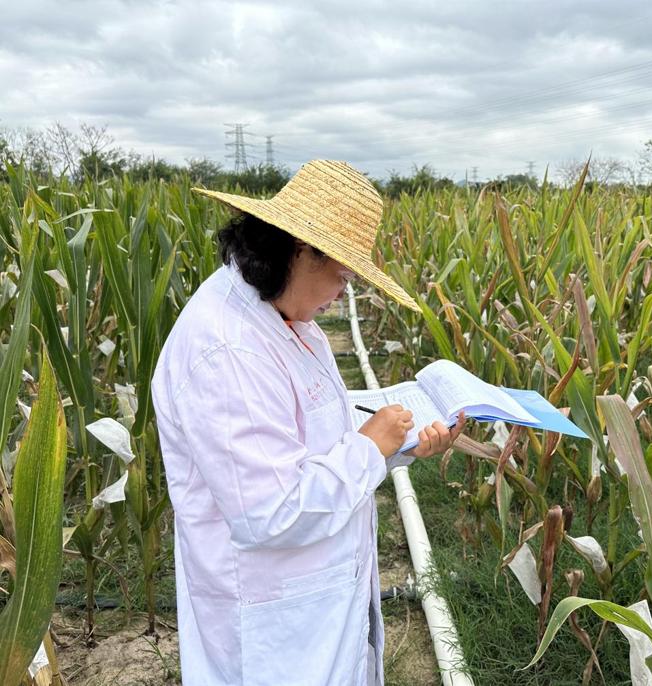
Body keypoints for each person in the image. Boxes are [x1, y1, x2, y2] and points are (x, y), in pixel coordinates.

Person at [151, 160, 465, 686]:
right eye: (342, 276)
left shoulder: (284, 316)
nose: (342, 294)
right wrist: (369, 448)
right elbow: (268, 513)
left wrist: (401, 444)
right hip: (274, 628)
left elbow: (312, 435)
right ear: (301, 249)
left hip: (313, 604)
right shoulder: (228, 349)